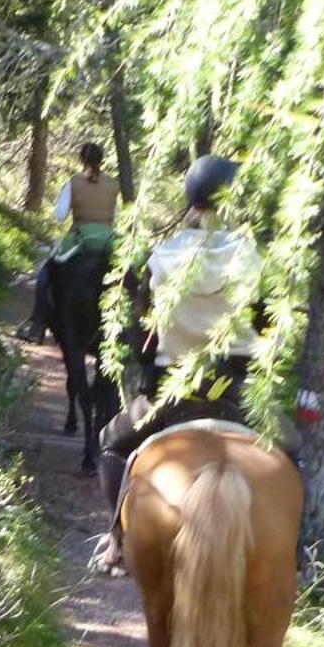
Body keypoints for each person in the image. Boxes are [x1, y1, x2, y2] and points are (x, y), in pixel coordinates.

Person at [91, 153, 264, 572]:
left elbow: (145, 330)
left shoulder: (163, 256)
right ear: (232, 199)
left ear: (191, 198)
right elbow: (267, 322)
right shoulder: (251, 257)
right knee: (295, 455)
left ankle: (117, 540)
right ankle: (298, 554)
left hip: (173, 388)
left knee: (111, 444)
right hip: (236, 388)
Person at [14, 144, 120, 343]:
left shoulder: (74, 182)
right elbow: (117, 215)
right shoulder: (113, 184)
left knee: (46, 273)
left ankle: (38, 325)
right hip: (108, 239)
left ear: (82, 160)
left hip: (79, 238)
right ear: (101, 160)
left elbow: (60, 216)